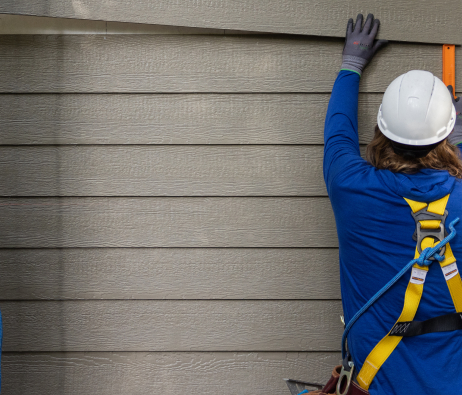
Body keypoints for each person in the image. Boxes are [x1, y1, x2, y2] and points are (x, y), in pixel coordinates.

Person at [322, 13, 462, 395]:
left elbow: (338, 135)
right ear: (445, 134)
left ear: (382, 129)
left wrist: (351, 66)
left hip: (377, 382)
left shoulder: (352, 186)